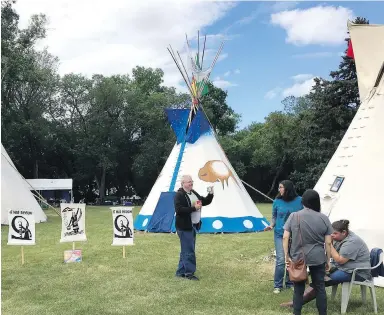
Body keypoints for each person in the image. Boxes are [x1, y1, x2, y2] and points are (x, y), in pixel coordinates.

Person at [280, 219, 371, 308]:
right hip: (344, 268)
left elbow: (340, 260)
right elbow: (331, 256)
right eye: (331, 233)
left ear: (344, 232)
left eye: (335, 233)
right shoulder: (341, 237)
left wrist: (329, 244)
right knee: (318, 274)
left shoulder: (352, 241)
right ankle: (297, 301)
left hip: (357, 272)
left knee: (321, 281)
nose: (332, 235)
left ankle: (296, 303)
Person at [283, 189, 333, 315]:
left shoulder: (294, 216)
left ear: (303, 201)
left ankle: (297, 313)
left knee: (298, 289)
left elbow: (285, 237)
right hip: (318, 256)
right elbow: (328, 242)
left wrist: (286, 256)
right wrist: (328, 259)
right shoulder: (324, 218)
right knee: (320, 287)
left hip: (298, 256)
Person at [264, 180, 303, 293]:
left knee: (292, 259)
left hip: (295, 235)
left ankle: (290, 282)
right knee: (281, 259)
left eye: (281, 187)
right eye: (279, 187)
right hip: (280, 234)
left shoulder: (300, 201)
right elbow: (274, 217)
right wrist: (271, 226)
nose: (279, 189)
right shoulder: (277, 201)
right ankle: (277, 285)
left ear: (288, 189)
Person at [174, 174, 214, 281]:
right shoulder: (179, 195)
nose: (191, 183)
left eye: (192, 181)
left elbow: (204, 201)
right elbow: (179, 210)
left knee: (185, 250)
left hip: (192, 225)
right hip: (184, 226)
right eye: (189, 182)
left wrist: (210, 193)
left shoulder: (193, 193)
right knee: (189, 250)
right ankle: (189, 273)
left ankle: (180, 272)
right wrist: (193, 208)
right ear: (183, 184)